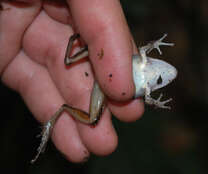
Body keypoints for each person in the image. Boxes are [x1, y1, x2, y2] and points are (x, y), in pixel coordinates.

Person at [0, 0, 144, 162]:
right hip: (102, 69)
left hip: (104, 77)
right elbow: (69, 60)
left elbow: (70, 60)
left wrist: (73, 40)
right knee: (95, 115)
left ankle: (45, 136)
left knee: (94, 118)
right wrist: (72, 40)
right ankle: (45, 136)